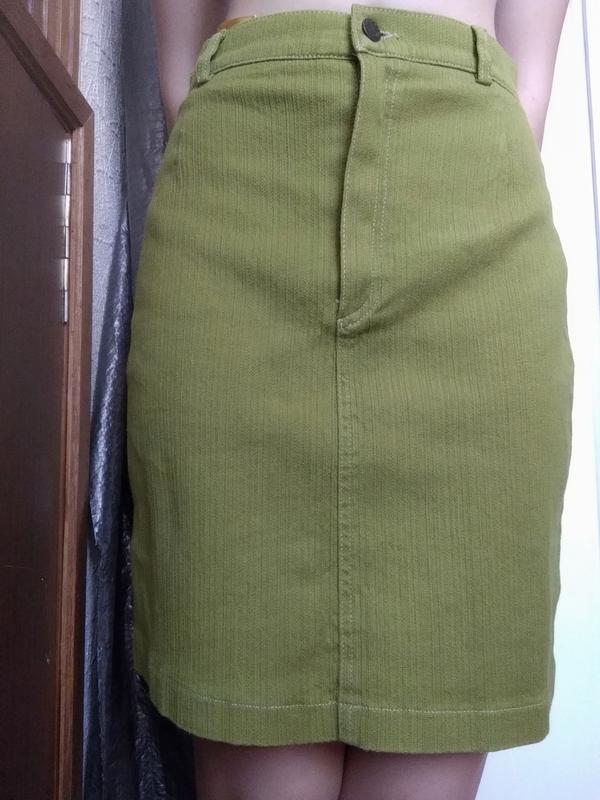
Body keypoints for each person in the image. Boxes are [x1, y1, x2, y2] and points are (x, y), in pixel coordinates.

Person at [126, 1, 574, 798]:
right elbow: (178, 73)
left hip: (469, 210)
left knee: (436, 716)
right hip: (241, 199)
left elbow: (528, 78)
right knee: (249, 712)